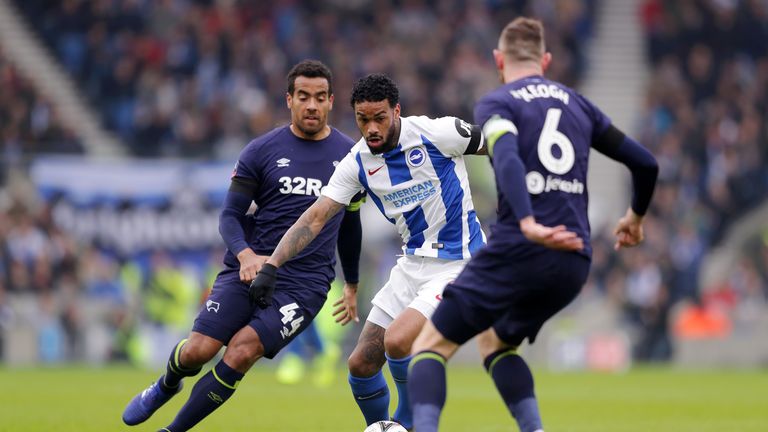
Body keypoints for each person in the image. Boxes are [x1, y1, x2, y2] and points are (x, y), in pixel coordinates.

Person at [407, 17, 659, 432]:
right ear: (545, 59)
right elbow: (646, 163)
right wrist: (635, 216)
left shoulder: (498, 102)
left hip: (520, 246)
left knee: (430, 346)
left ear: (497, 60)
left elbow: (505, 156)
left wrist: (526, 221)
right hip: (573, 260)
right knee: (496, 341)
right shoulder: (579, 104)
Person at [121, 59, 363, 431]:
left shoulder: (351, 157)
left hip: (304, 283)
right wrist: (246, 255)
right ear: (289, 100)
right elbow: (229, 216)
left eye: (319, 97)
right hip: (248, 268)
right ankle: (166, 383)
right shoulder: (261, 150)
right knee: (199, 351)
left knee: (242, 351)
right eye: (303, 96)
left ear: (331, 101)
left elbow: (350, 224)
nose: (311, 105)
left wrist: (351, 283)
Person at [249, 73, 487, 430]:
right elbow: (315, 218)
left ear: (397, 111)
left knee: (398, 340)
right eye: (363, 120)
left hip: (460, 263)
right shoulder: (357, 162)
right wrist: (272, 264)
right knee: (360, 364)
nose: (371, 128)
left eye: (380, 117)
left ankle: (410, 424)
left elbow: (501, 146)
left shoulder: (438, 134)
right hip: (411, 265)